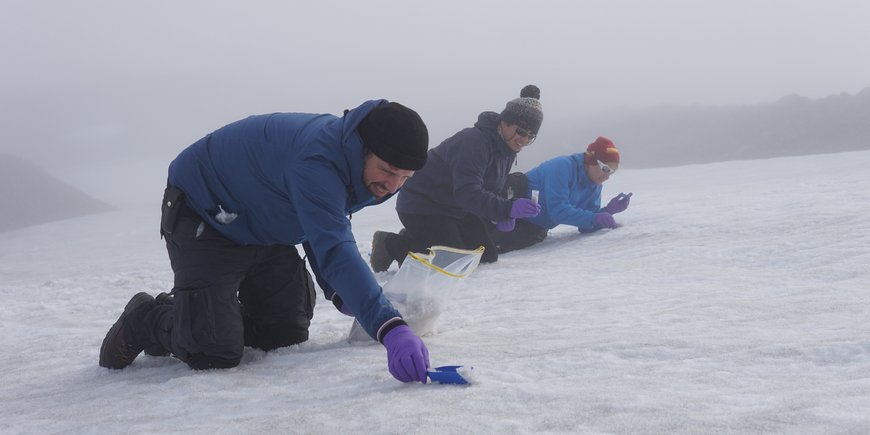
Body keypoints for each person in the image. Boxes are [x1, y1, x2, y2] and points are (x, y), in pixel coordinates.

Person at [99, 99, 434, 384]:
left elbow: (323, 227)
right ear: (364, 148)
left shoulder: (357, 162)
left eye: (404, 178)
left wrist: (342, 293)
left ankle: (202, 316)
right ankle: (147, 319)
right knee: (214, 351)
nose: (392, 187)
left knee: (284, 333)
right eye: (387, 171)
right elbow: (335, 246)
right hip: (207, 212)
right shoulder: (317, 160)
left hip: (263, 221)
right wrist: (389, 328)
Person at [369, 85, 544, 272]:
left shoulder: (507, 149)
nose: (524, 140)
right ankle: (391, 243)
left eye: (530, 136)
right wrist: (505, 208)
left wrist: (502, 214)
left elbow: (491, 188)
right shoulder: (475, 142)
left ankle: (424, 238)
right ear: (505, 122)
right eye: (521, 132)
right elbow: (467, 192)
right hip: (422, 204)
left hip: (456, 208)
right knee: (451, 265)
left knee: (486, 257)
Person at [489, 136, 633, 253]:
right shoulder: (563, 166)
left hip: (533, 228)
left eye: (613, 171)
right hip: (508, 203)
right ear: (591, 160)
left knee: (497, 246)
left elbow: (586, 225)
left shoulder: (594, 186)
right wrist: (595, 217)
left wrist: (608, 211)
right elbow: (558, 210)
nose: (607, 176)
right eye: (606, 169)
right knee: (482, 229)